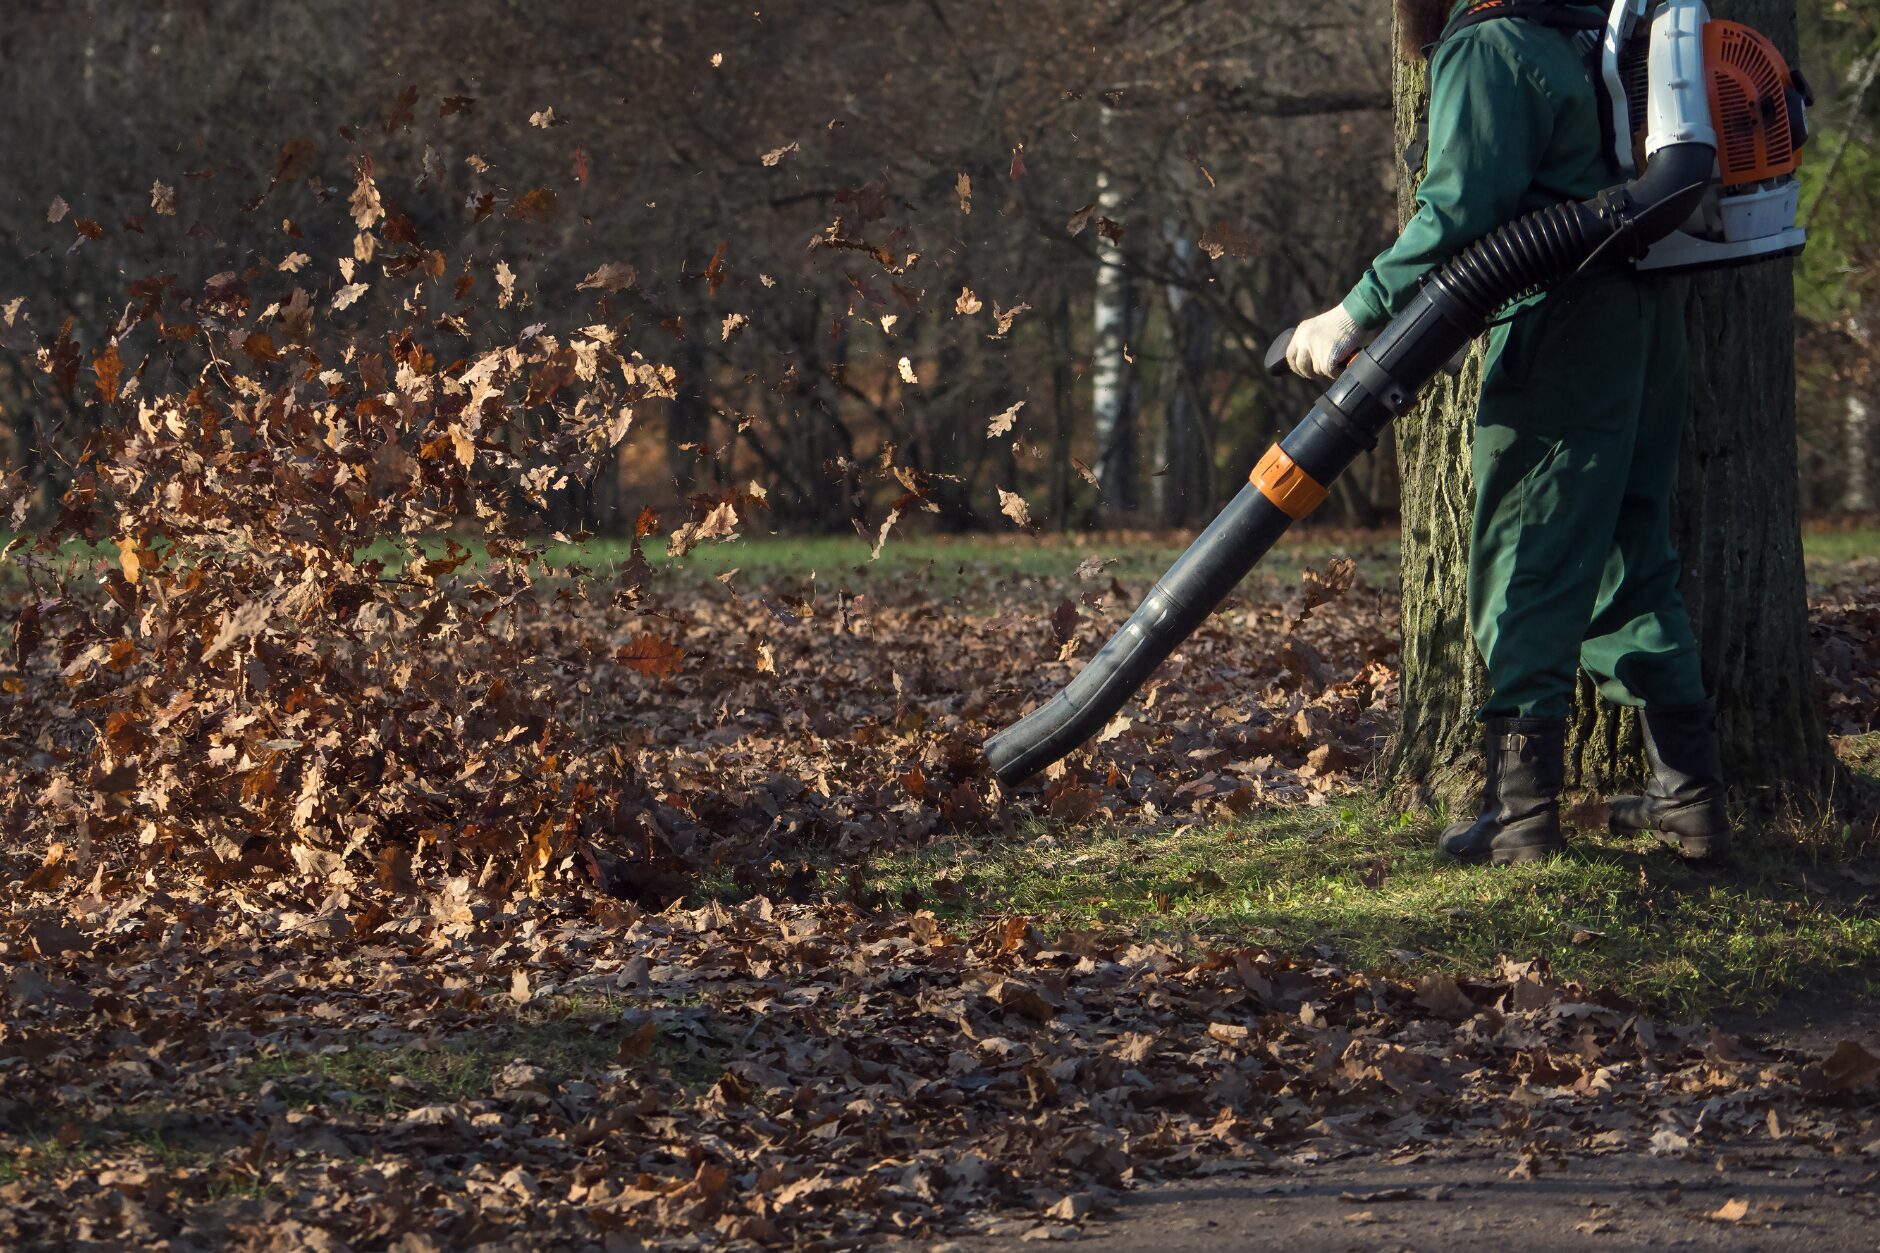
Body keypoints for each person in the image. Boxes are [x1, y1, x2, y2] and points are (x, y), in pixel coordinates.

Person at [1285, 0, 1730, 865]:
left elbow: (1457, 214)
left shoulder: (1494, 46)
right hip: (1646, 319)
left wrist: (1355, 312)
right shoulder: (1583, 37)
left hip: (1563, 323)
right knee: (1629, 552)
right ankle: (1693, 803)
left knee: (1528, 549)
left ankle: (1520, 817)